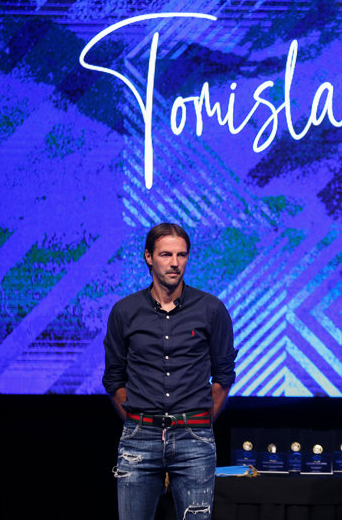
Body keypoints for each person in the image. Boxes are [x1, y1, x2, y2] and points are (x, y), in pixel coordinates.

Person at [103, 223, 237, 520]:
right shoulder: (125, 311)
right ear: (148, 257)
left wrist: (199, 423)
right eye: (166, 254)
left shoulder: (211, 309)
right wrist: (138, 423)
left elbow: (224, 376)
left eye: (181, 255)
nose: (175, 263)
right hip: (139, 439)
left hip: (194, 438)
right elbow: (113, 379)